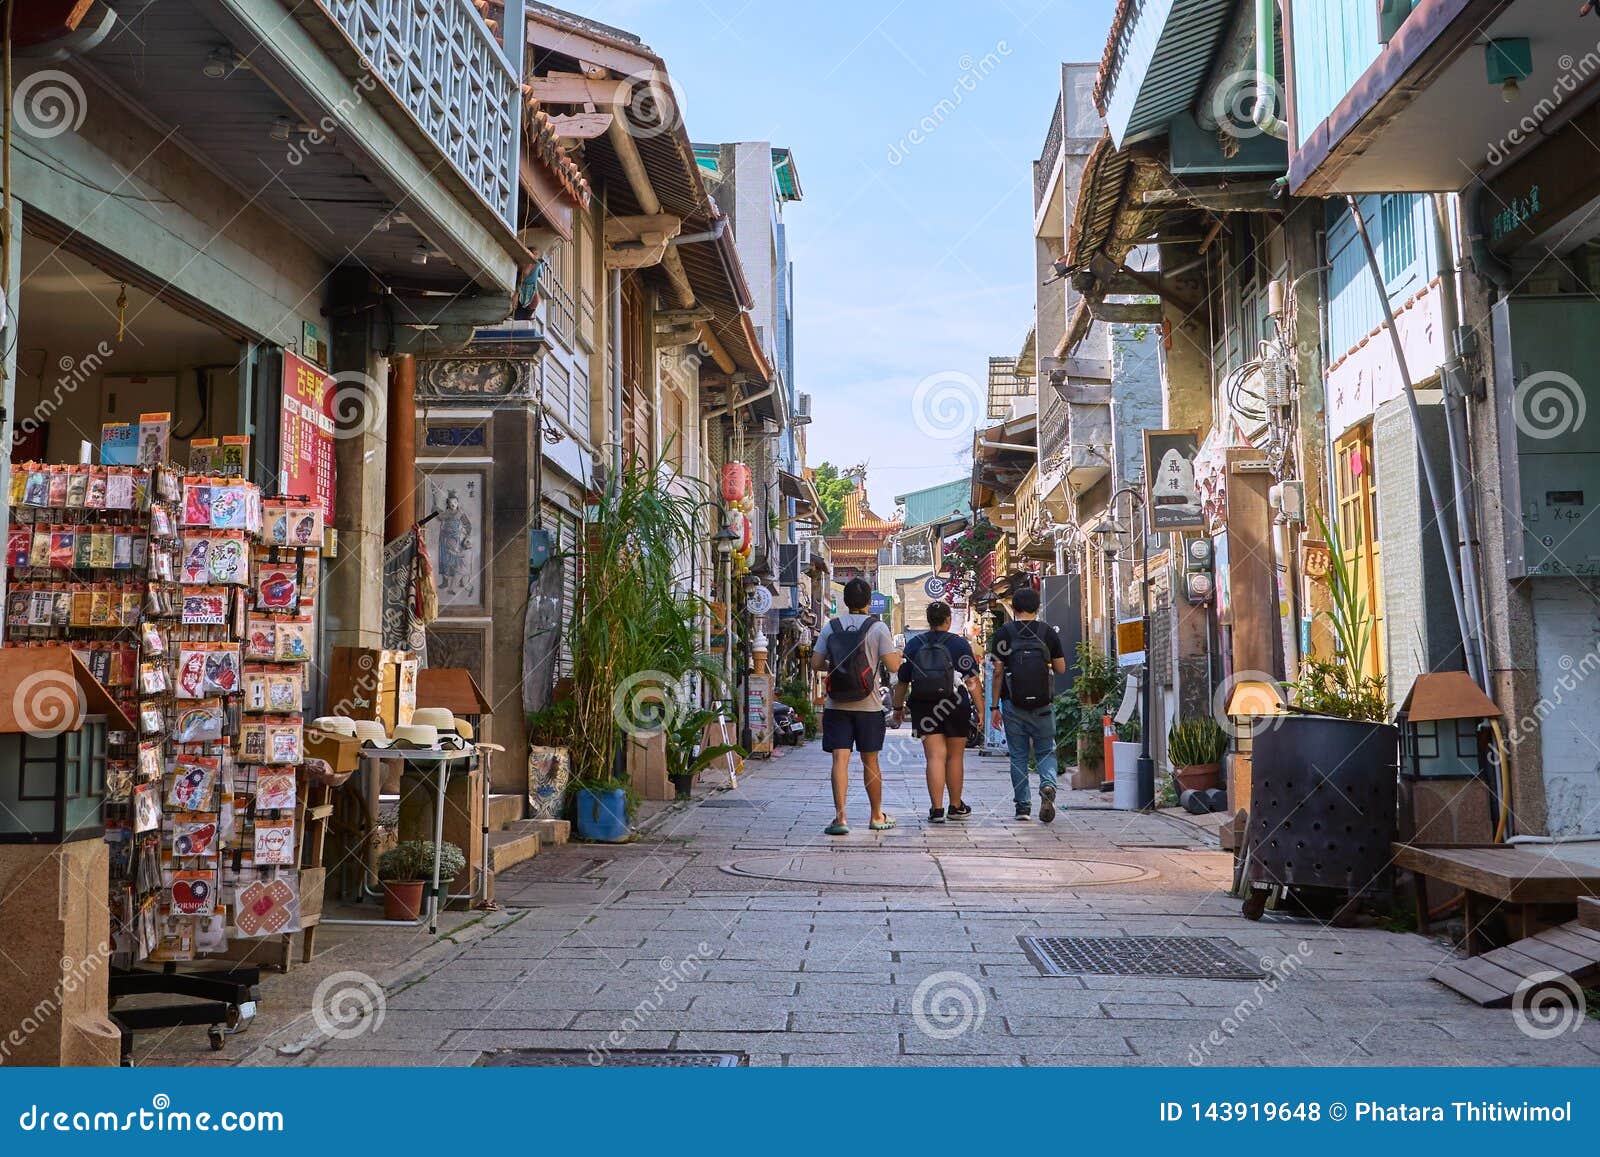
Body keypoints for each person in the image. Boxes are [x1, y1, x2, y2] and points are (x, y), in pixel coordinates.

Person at [811, 577, 902, 835]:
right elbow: (894, 667)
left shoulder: (832, 627)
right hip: (869, 705)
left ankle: (840, 818)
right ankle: (876, 815)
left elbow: (816, 663)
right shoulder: (878, 628)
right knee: (870, 760)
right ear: (868, 602)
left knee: (840, 759)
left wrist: (839, 667)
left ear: (846, 601)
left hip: (836, 704)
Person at [892, 601, 981, 823]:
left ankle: (937, 809)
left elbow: (902, 682)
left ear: (929, 621)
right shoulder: (959, 644)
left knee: (934, 756)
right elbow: (971, 680)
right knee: (955, 757)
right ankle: (956, 806)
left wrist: (897, 708)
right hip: (955, 703)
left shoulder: (914, 644)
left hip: (924, 705)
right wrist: (981, 710)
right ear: (949, 620)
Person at [987, 586, 1067, 822]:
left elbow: (998, 672)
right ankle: (1048, 784)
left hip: (1013, 704)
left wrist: (994, 707)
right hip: (1043, 704)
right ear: (1038, 607)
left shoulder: (1004, 633)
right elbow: (1061, 668)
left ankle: (1023, 808)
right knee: (1045, 751)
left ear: (1014, 607)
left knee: (1019, 756)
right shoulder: (1047, 632)